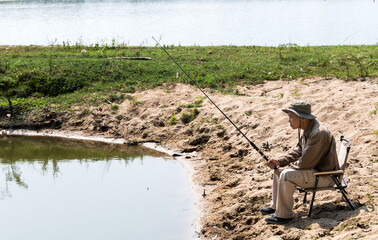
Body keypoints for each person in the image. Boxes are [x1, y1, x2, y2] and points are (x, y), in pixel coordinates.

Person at [262, 101, 339, 224]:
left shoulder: (317, 133)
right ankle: (276, 207)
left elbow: (305, 164)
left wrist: (285, 168)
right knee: (279, 170)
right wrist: (280, 162)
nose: (289, 120)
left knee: (285, 174)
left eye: (291, 117)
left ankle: (284, 216)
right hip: (315, 171)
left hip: (325, 176)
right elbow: (298, 151)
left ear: (302, 118)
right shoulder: (308, 127)